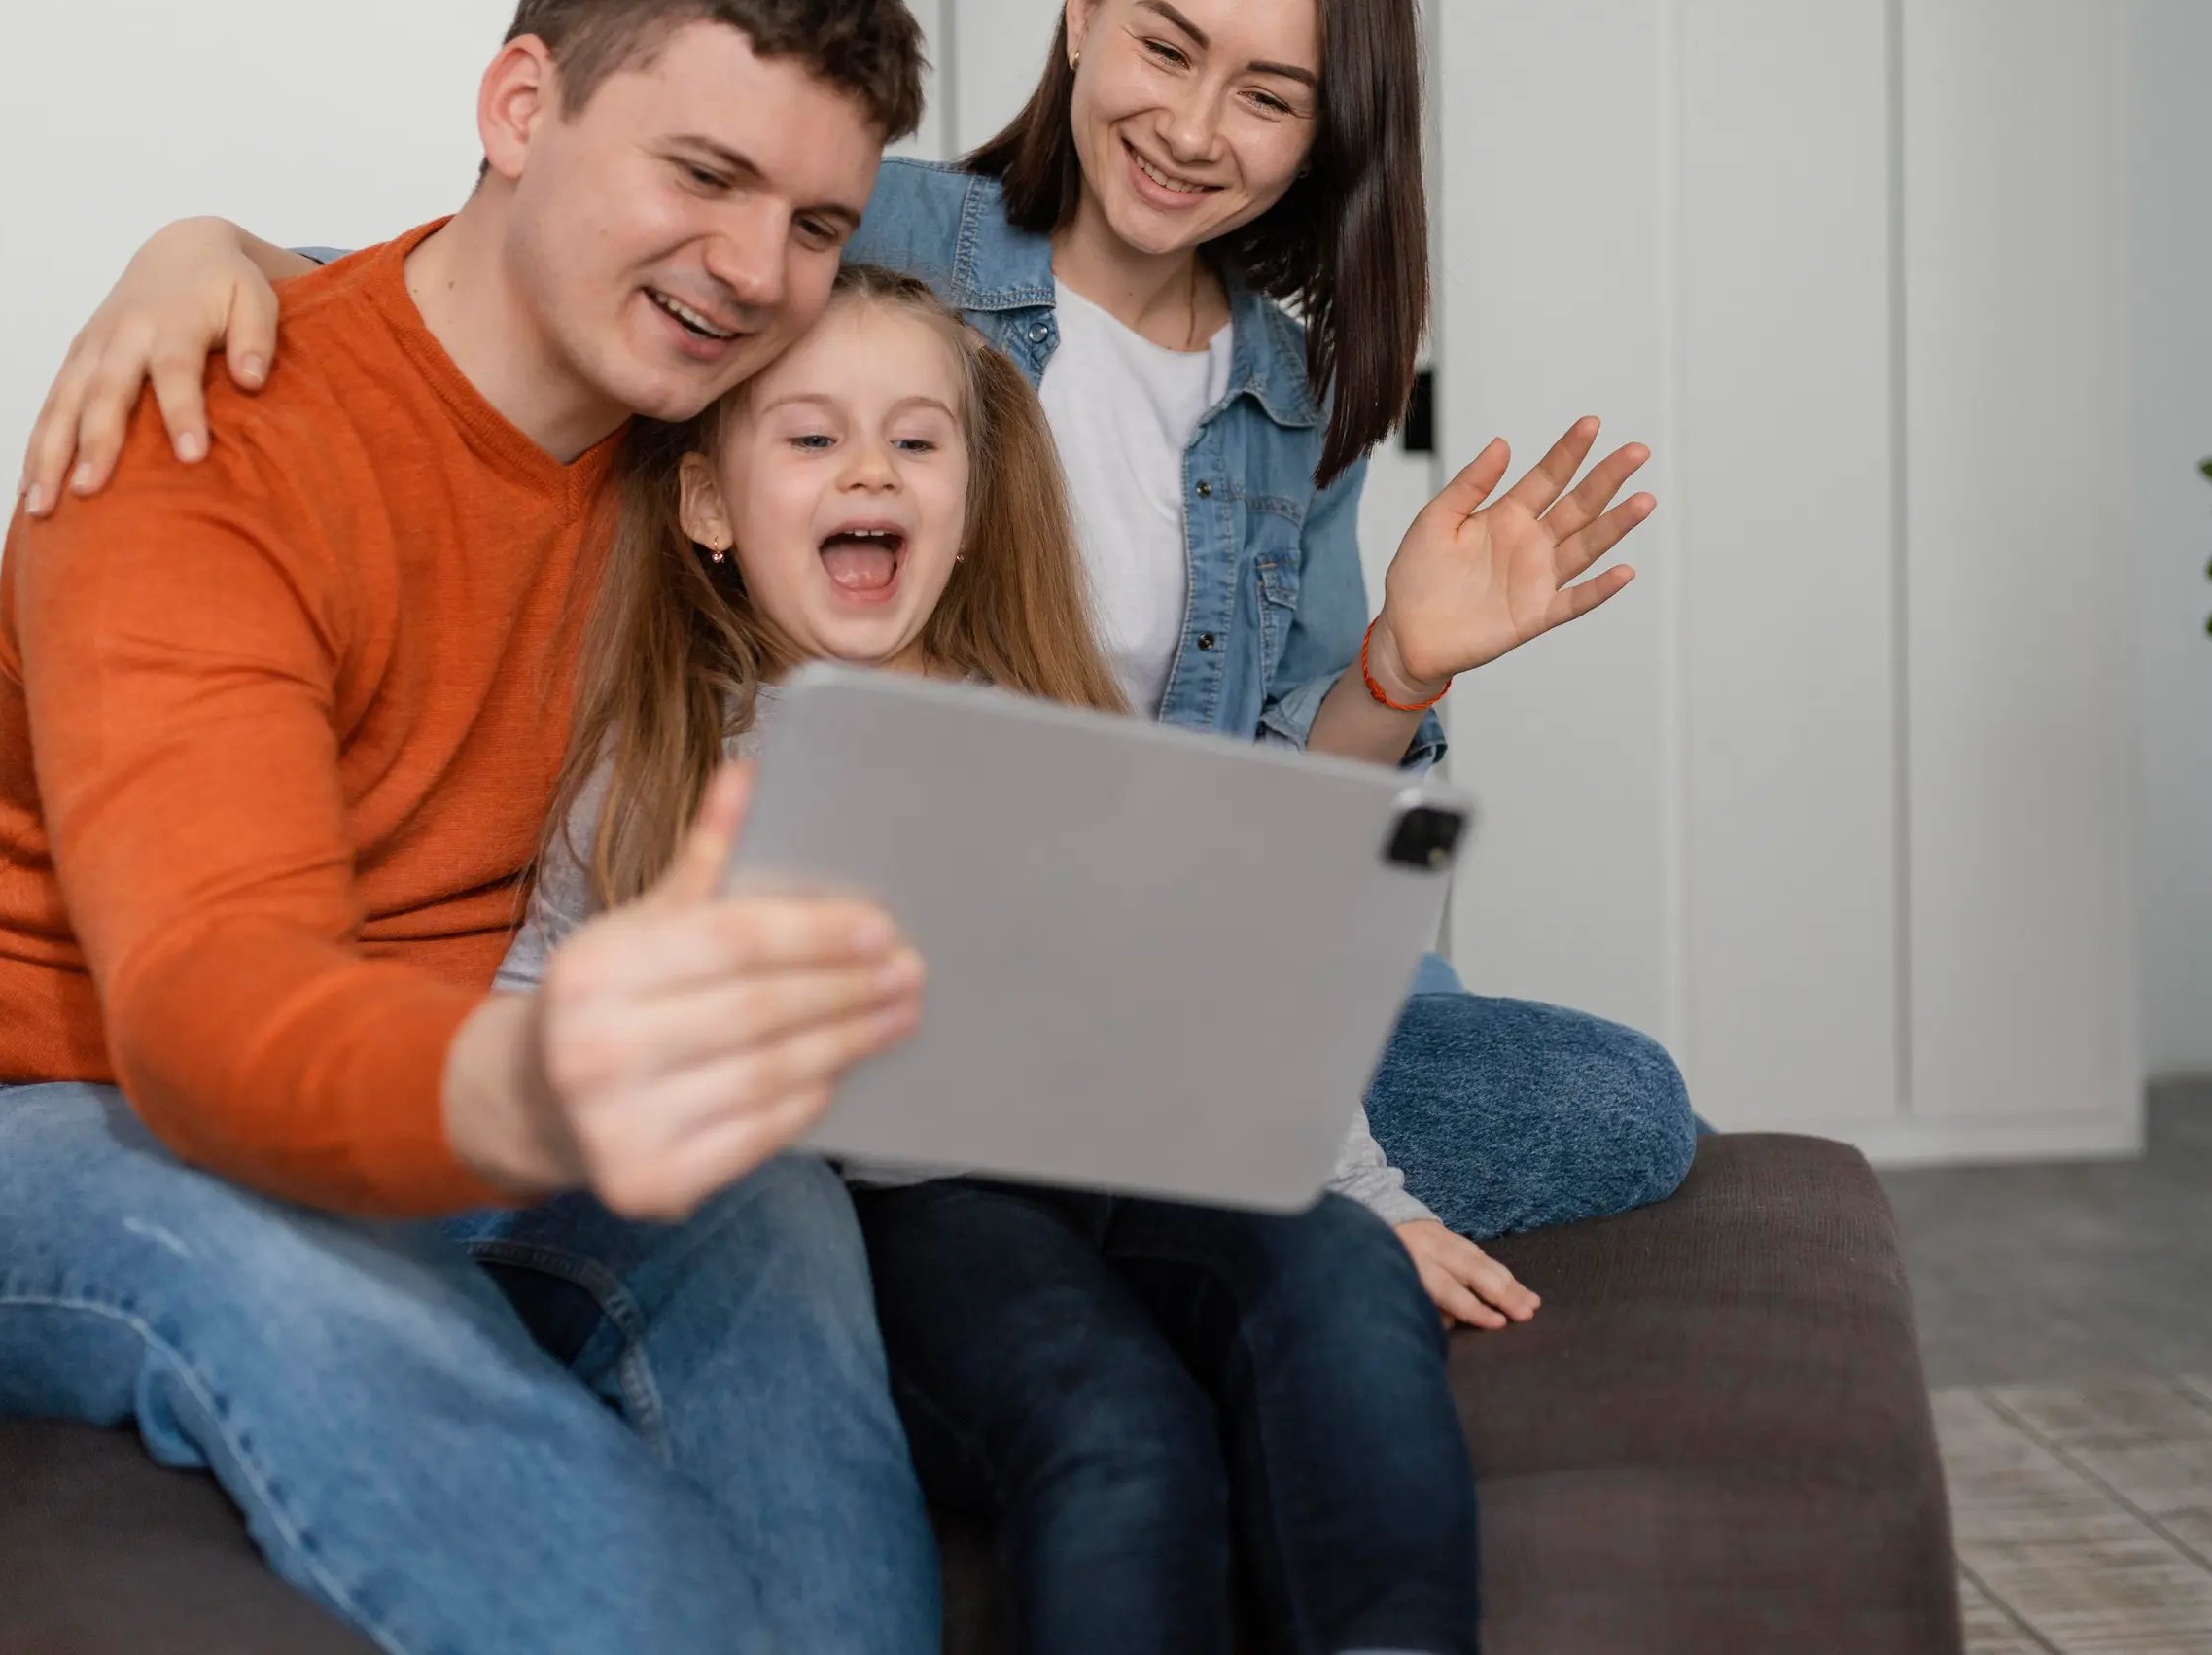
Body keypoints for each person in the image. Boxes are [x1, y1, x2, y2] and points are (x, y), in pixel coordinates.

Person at [22, 0, 1703, 1244]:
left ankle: (1102, 1167)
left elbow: (1274, 841)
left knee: (1620, 1103)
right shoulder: (875, 224)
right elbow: (520, 264)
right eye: (1168, 48)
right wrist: (206, 240)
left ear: (1328, 125)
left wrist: (1399, 668)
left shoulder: (1287, 394)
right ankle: (1053, 1183)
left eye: (1268, 95)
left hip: (1122, 962)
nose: (1194, 131)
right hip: (866, 970)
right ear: (1083, 1)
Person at [0, 0, 948, 1655]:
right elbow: (211, 1022)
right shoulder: (198, 436)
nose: (756, 271)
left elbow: (1086, 236)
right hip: (34, 1132)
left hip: (442, 1118)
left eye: (817, 221)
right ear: (520, 107)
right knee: (314, 1280)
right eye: (702, 174)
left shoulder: (696, 435)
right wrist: (552, 1076)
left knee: (768, 1204)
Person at [515, 261, 1532, 1653]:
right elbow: (539, 1009)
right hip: (915, 1207)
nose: (869, 466)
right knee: (1115, 1422)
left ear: (972, 500)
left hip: (1141, 1156)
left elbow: (1226, 987)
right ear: (706, 505)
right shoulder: (658, 772)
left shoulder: (1060, 731)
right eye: (812, 437)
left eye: (916, 441)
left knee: (1348, 1277)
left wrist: (1376, 1197)